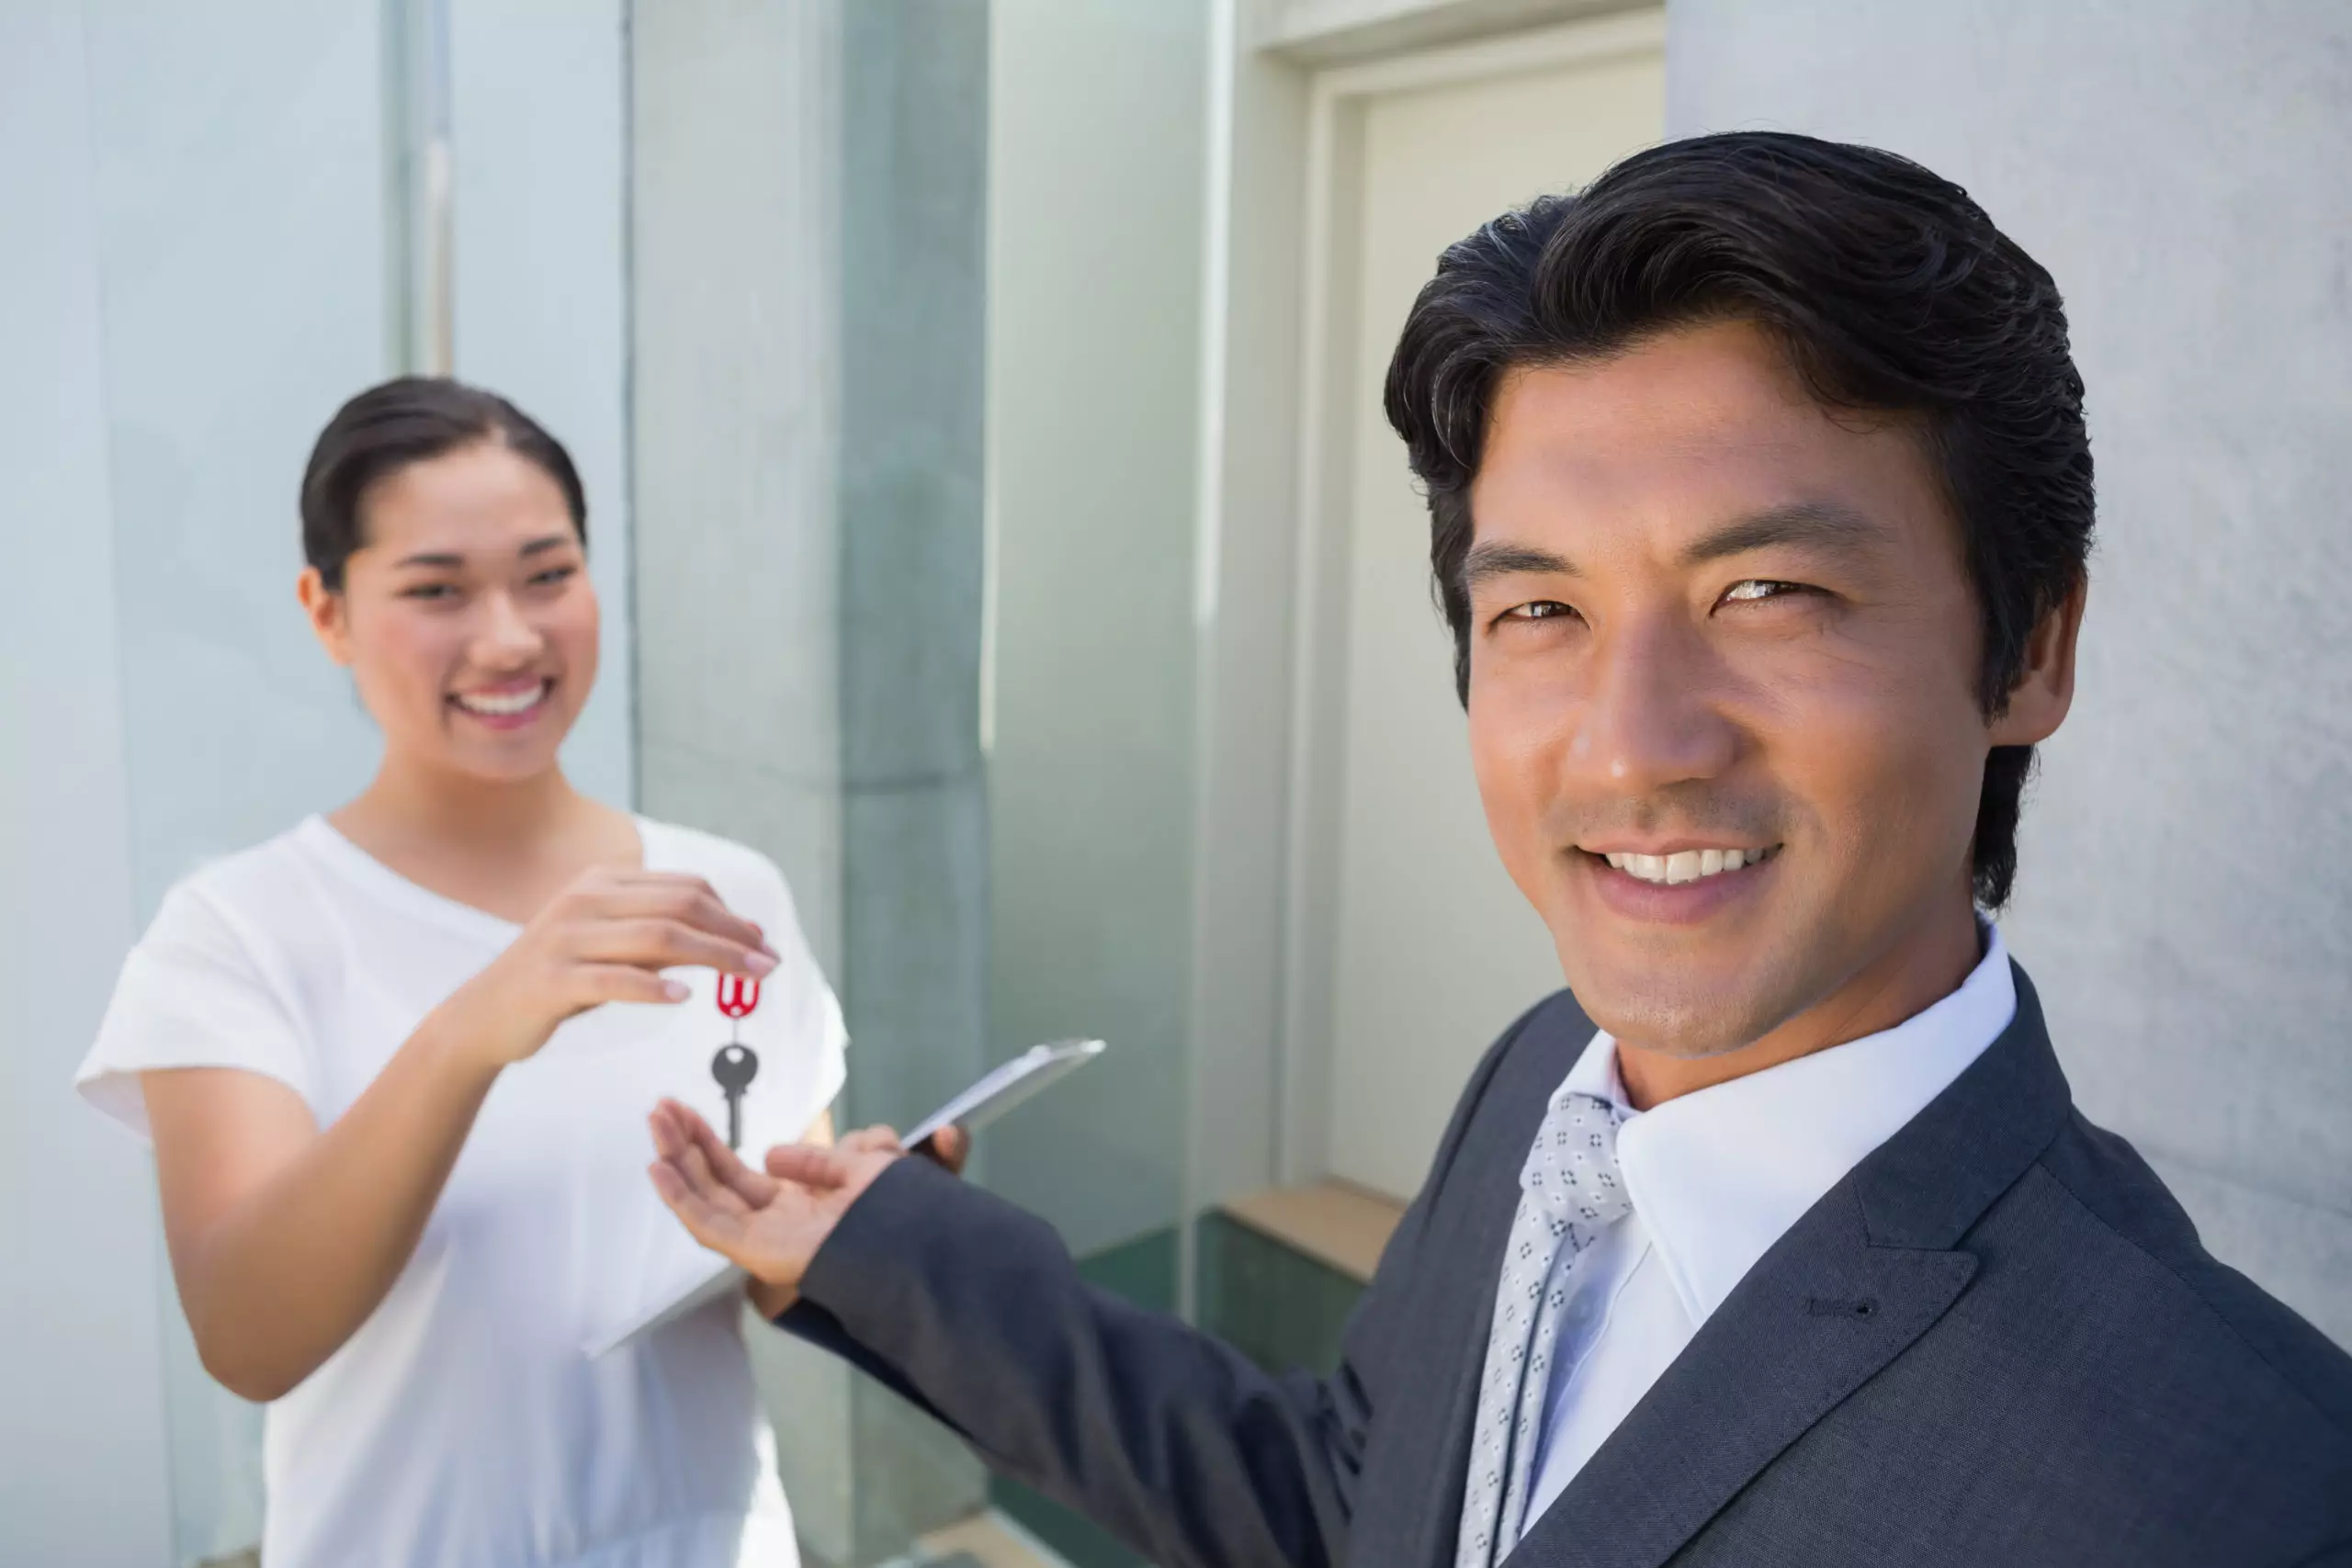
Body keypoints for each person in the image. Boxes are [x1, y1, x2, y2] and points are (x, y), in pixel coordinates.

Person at [647, 133, 2352, 1566]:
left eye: (1768, 593)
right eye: (1540, 606)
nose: (1630, 743)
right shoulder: (1552, 1075)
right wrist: (881, 1246)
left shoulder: (2240, 1486)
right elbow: (1352, 1502)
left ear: (2032, 649)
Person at [76, 378, 846, 1568]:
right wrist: (471, 1028)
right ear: (325, 613)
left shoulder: (726, 895)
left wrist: (868, 1231)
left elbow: (779, 1288)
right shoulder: (237, 933)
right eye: (437, 589)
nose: (509, 637)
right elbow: (249, 1334)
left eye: (549, 574)